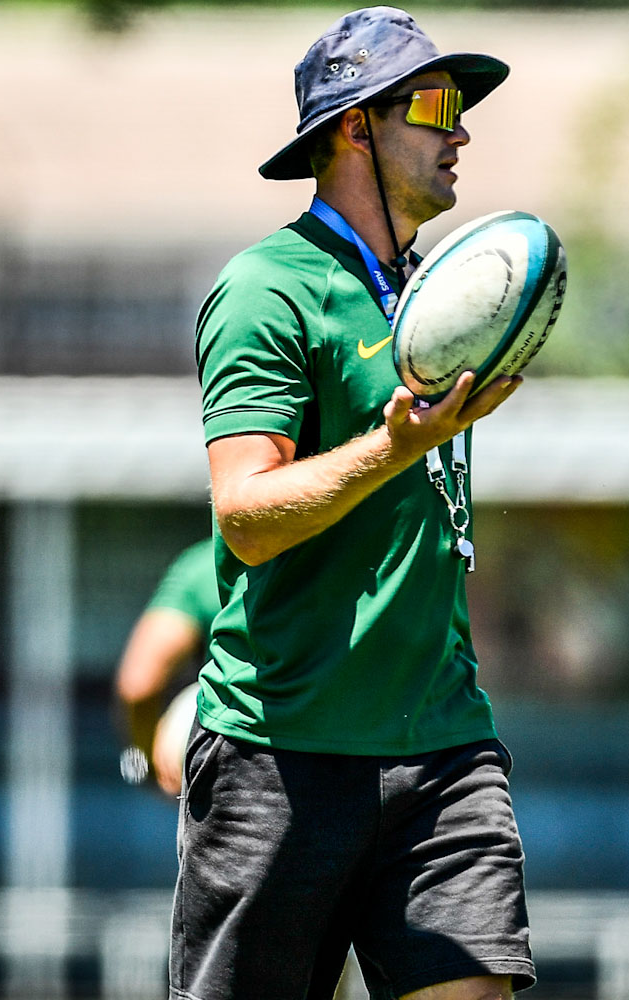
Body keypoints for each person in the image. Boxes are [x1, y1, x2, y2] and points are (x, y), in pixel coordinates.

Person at [175, 7, 529, 999]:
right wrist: (392, 446)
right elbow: (244, 516)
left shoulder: (441, 293)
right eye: (435, 107)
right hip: (278, 755)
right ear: (353, 128)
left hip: (443, 746)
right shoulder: (267, 288)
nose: (461, 131)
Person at [114, 539, 217, 796]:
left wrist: (146, 762)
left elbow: (139, 685)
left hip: (232, 768)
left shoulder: (208, 562)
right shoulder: (318, 560)